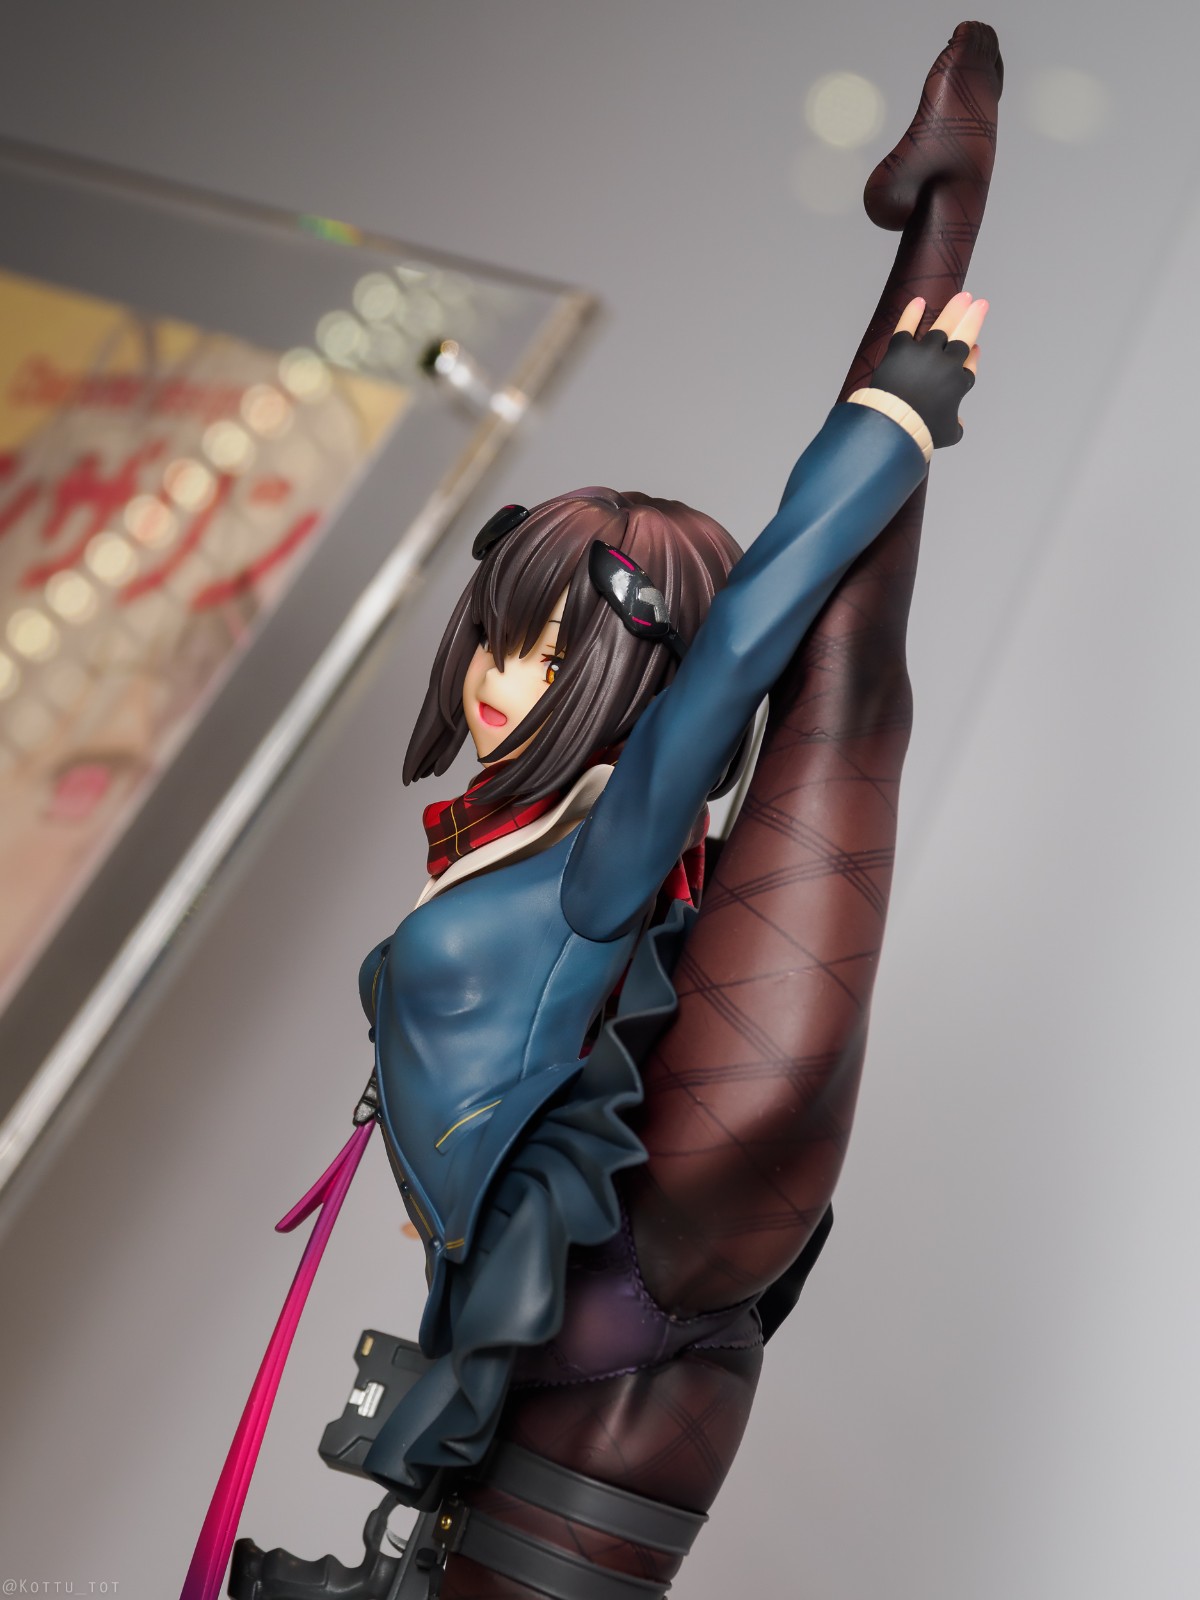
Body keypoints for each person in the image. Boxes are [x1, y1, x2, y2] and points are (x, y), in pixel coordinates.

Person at [356, 295, 987, 1530]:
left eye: (555, 657)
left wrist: (890, 420)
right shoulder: (509, 836)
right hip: (482, 1262)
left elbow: (742, 642)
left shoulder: (600, 856)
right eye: (499, 639)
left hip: (552, 1269)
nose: (501, 682)